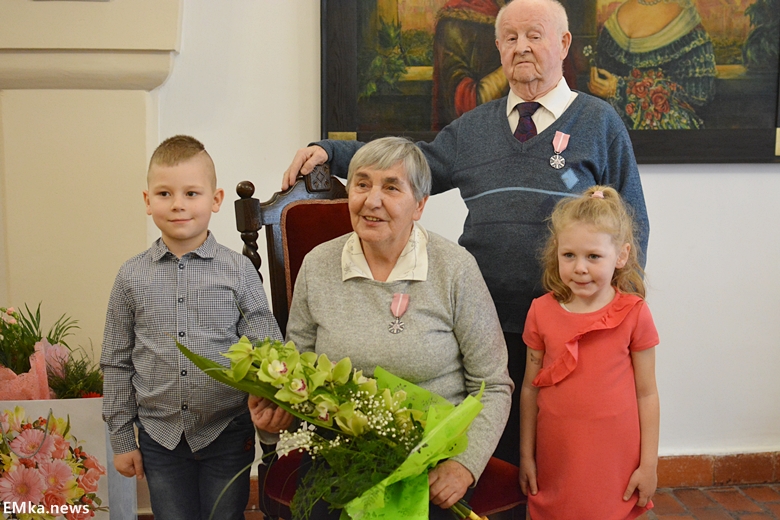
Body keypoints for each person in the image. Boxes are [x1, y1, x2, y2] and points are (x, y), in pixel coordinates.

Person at [282, 0, 649, 476]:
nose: (522, 47)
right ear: (497, 48)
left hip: (570, 326)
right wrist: (330, 151)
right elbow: (410, 164)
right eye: (510, 38)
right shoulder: (473, 129)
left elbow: (632, 224)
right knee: (494, 461)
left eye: (535, 35)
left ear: (563, 44)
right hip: (484, 325)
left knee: (564, 460)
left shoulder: (600, 123)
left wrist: (622, 316)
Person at [251, 137, 513, 519]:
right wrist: (275, 420)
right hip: (338, 452)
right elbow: (298, 377)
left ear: (420, 205)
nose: (372, 200)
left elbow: (493, 385)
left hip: (436, 454)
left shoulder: (454, 268)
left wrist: (465, 465)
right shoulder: (318, 264)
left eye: (391, 187)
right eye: (362, 184)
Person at [100, 135, 282, 520]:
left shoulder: (238, 270)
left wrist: (273, 413)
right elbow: (116, 361)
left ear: (215, 200)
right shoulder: (131, 276)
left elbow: (269, 347)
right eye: (165, 193)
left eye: (191, 193)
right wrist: (120, 439)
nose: (178, 204)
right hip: (159, 437)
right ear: (148, 201)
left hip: (227, 431)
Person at [519, 185, 659, 520]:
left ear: (621, 256)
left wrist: (649, 465)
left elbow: (647, 394)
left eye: (593, 257)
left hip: (615, 461)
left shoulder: (635, 313)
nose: (580, 268)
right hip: (559, 456)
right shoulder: (540, 311)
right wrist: (526, 455)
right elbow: (529, 388)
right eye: (569, 255)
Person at [588, 0, 716, 130]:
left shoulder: (687, 22)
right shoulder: (616, 18)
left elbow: (700, 94)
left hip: (666, 134)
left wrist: (621, 89)